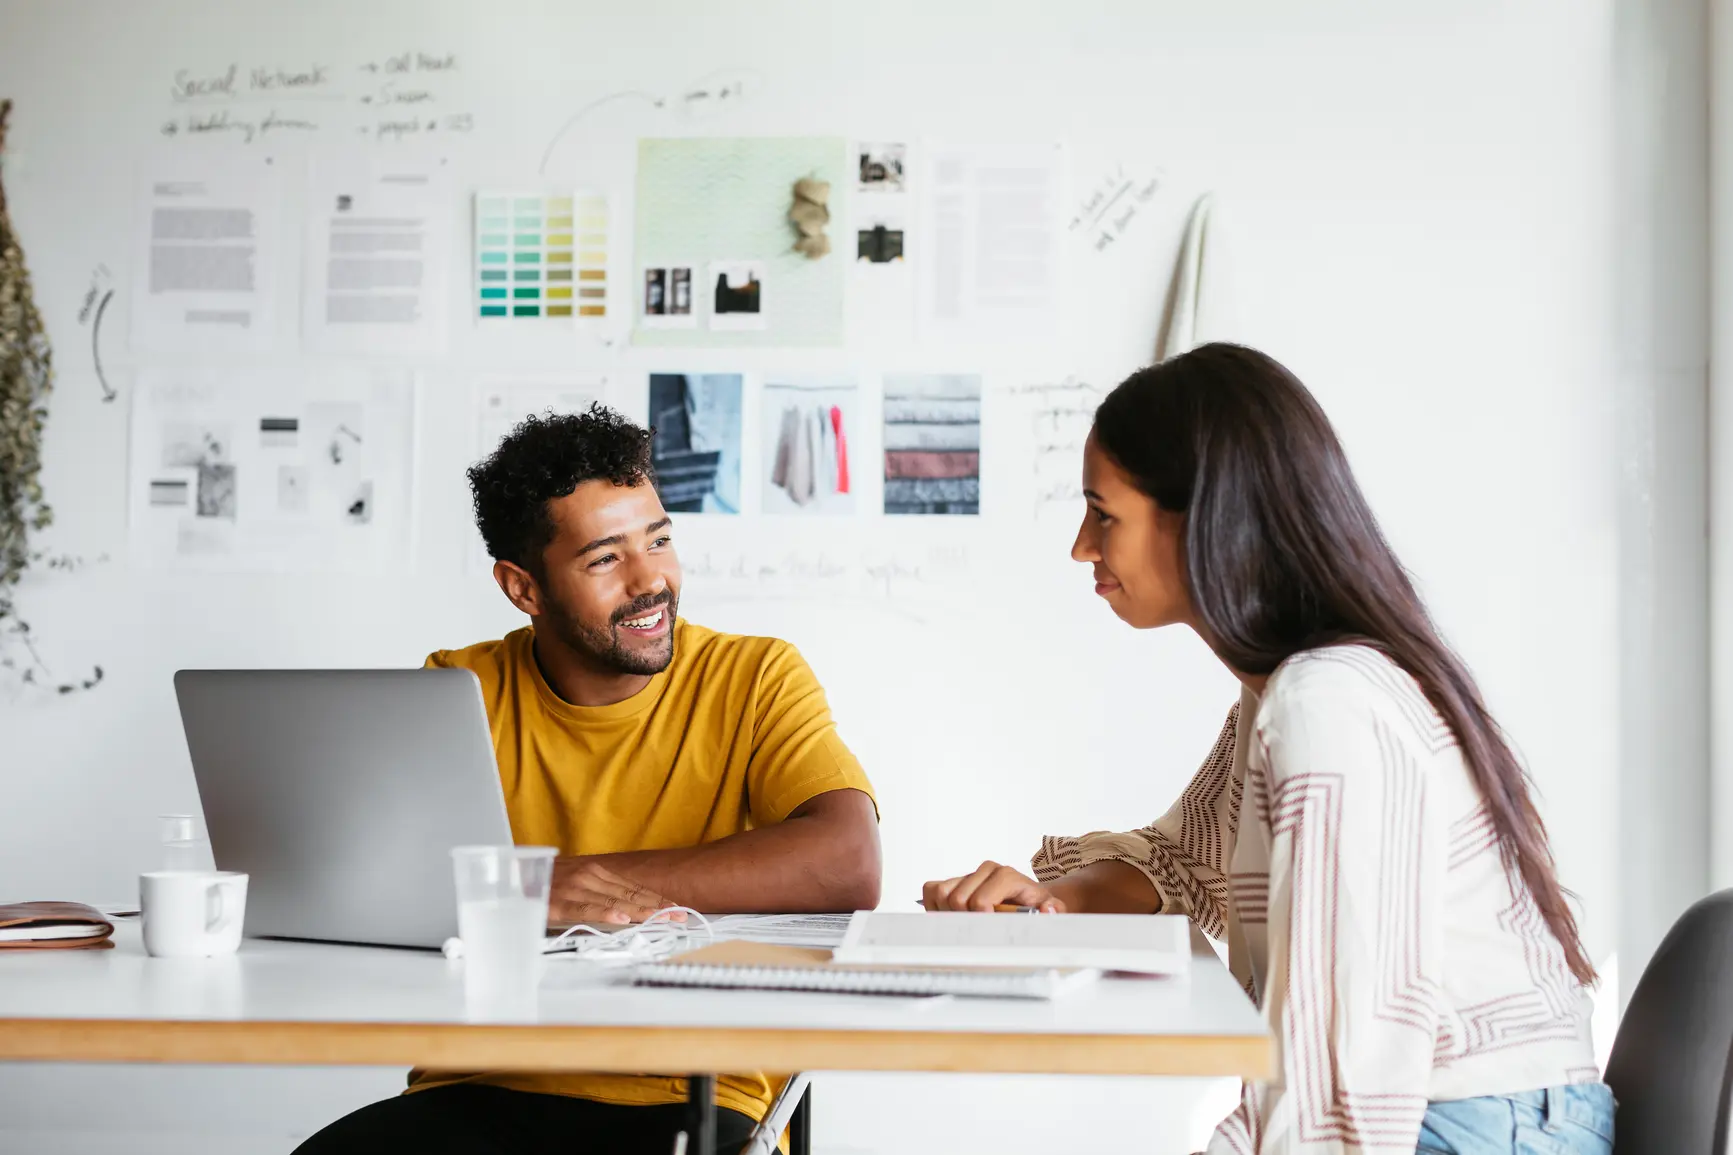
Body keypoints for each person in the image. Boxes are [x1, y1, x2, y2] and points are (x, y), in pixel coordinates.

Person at [922, 344, 1613, 1155]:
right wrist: (1056, 899)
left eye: (1102, 513)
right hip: (1465, 1114)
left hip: (1469, 1122)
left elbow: (1341, 1089)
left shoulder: (1327, 707)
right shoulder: (1288, 691)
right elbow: (1184, 861)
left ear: (1202, 517)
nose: (1082, 546)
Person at [297, 405, 881, 1155]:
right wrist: (531, 889)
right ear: (523, 587)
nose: (651, 581)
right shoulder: (458, 686)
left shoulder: (756, 675)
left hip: (687, 1089)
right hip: (478, 1079)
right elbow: (365, 878)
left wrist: (555, 884)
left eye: (660, 540)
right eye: (605, 558)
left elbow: (847, 861)